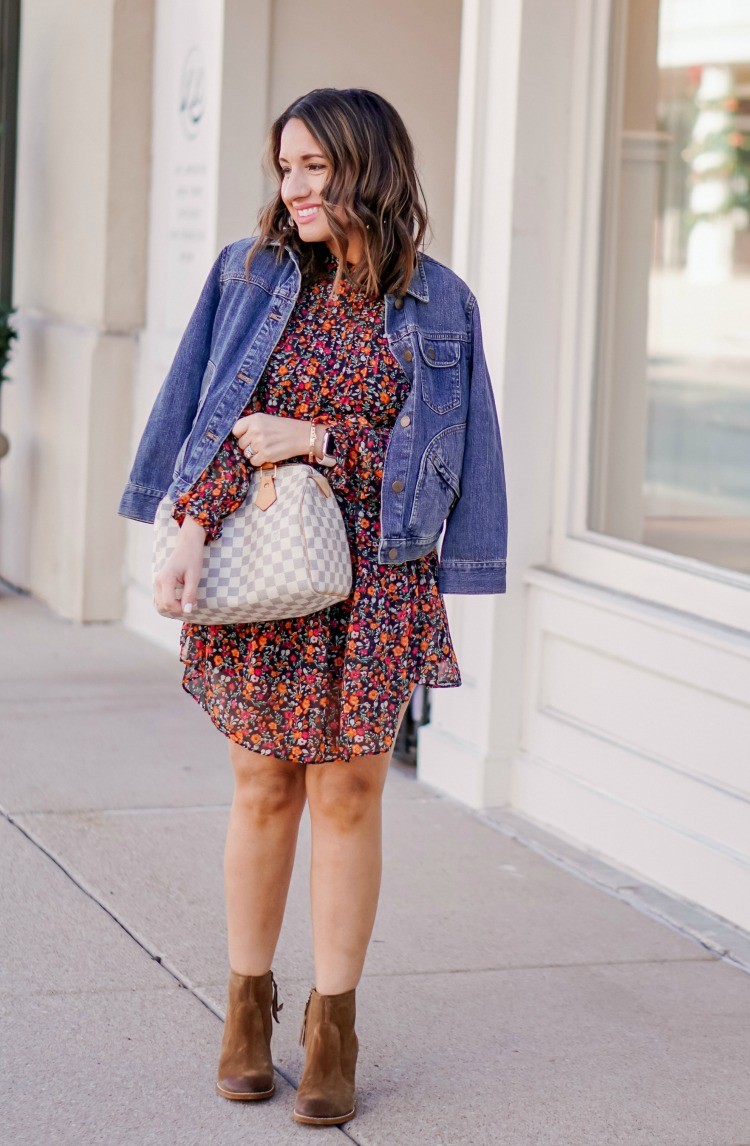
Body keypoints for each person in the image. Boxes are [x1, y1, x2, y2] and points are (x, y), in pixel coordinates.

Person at [118, 87, 507, 1127]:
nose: (290, 187)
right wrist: (188, 525)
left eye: (312, 169)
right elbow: (214, 414)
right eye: (283, 168)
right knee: (263, 789)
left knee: (348, 796)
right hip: (263, 565)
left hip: (376, 579)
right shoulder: (249, 277)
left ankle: (333, 1025)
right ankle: (246, 1008)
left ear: (363, 167)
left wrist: (320, 439)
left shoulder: (439, 306)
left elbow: (447, 467)